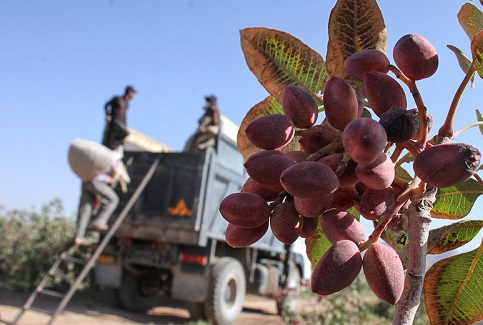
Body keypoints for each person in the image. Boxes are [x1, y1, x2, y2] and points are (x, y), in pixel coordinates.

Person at [74, 161, 121, 246]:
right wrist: (109, 179)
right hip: (96, 181)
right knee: (113, 200)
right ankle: (100, 221)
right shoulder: (111, 158)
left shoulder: (94, 157)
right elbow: (113, 168)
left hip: (85, 180)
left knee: (85, 209)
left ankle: (78, 237)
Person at [102, 85, 137, 151]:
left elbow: (124, 115)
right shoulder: (118, 98)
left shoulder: (127, 104)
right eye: (133, 93)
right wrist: (108, 114)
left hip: (121, 123)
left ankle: (113, 145)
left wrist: (126, 125)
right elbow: (106, 105)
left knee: (122, 138)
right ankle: (112, 145)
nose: (133, 95)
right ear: (129, 92)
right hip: (115, 122)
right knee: (125, 132)